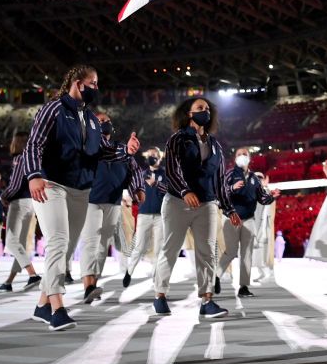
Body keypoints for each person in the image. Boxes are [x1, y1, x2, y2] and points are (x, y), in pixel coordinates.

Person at [23, 64, 140, 331]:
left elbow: (104, 151)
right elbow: (34, 144)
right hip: (51, 185)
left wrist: (127, 150)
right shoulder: (53, 109)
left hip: (81, 189)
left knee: (64, 248)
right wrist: (33, 175)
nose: (96, 88)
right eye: (93, 83)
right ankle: (57, 309)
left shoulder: (90, 118)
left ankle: (42, 305)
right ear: (77, 82)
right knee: (58, 241)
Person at [152, 97, 239, 319]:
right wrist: (184, 191)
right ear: (189, 114)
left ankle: (207, 300)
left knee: (208, 252)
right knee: (170, 248)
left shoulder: (215, 145)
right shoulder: (177, 139)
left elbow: (219, 180)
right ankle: (160, 294)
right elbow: (172, 170)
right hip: (176, 203)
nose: (205, 111)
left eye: (208, 109)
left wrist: (229, 208)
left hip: (207, 204)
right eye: (200, 108)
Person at [80, 114, 145, 303]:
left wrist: (138, 189)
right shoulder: (88, 146)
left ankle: (94, 282)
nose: (103, 123)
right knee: (91, 241)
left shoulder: (121, 150)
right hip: (89, 200)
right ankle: (88, 285)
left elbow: (134, 171)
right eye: (98, 121)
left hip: (113, 201)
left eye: (106, 120)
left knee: (103, 244)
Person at [217, 148, 279, 298]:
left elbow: (262, 199)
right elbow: (220, 194)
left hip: (249, 219)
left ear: (250, 158)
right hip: (231, 217)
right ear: (235, 158)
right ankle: (216, 277)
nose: (242, 156)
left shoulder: (255, 178)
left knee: (247, 254)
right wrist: (232, 188)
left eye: (245, 154)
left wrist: (271, 196)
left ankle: (244, 287)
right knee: (230, 251)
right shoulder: (230, 174)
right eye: (239, 154)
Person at [0, 133, 42, 292]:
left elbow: (15, 184)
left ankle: (32, 274)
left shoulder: (20, 158)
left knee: (11, 241)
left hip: (19, 203)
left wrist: (4, 196)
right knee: (20, 244)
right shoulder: (33, 158)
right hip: (32, 203)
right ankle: (9, 281)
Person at [124, 148, 166, 286]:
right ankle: (129, 272)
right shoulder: (141, 174)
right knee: (139, 247)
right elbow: (132, 190)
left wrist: (156, 184)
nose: (152, 157)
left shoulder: (165, 174)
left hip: (160, 216)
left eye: (155, 155)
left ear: (160, 157)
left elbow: (168, 192)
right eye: (150, 155)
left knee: (159, 249)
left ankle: (156, 279)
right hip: (144, 215)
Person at [251, 171, 276, 284]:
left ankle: (270, 273)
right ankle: (261, 272)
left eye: (260, 178)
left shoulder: (267, 192)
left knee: (266, 251)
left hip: (265, 227)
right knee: (256, 253)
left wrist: (265, 186)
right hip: (255, 227)